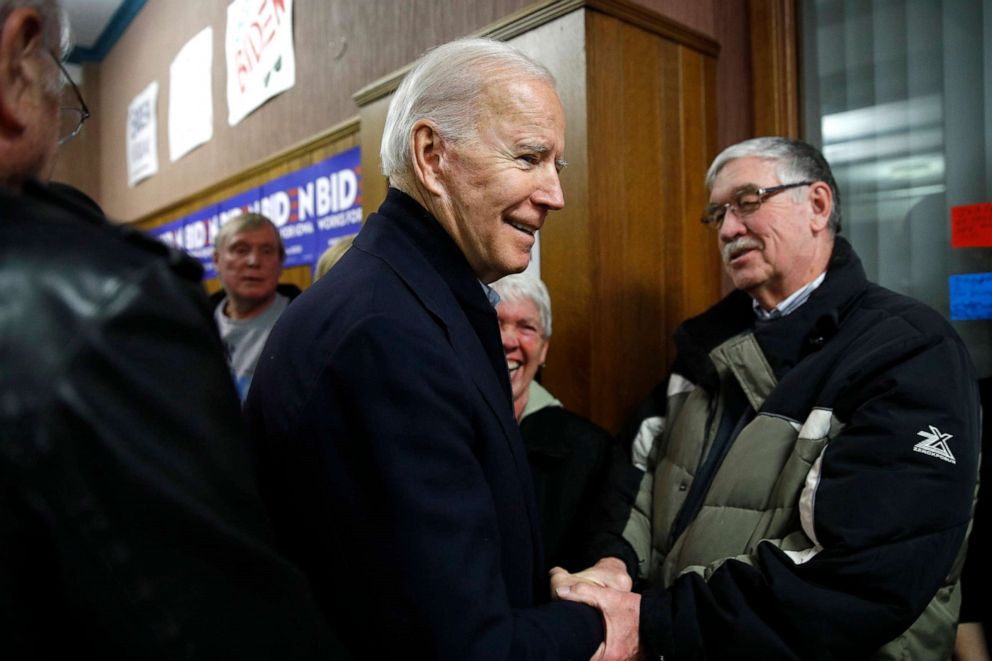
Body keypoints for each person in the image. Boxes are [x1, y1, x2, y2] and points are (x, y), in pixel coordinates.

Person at [245, 37, 608, 659]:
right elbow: (458, 646)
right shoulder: (386, 335)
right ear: (432, 155)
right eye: (529, 158)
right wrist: (599, 625)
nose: (555, 194)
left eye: (558, 166)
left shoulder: (408, 301)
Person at [0, 2, 343, 657]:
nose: (251, 264)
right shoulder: (104, 307)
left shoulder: (303, 326)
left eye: (265, 252)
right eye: (57, 82)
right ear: (18, 57)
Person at [554, 137, 981, 660]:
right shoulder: (702, 351)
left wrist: (658, 621)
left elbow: (866, 573)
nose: (729, 228)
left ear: (818, 205)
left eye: (749, 200)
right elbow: (632, 482)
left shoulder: (909, 349)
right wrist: (613, 565)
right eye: (718, 214)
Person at [492, 273, 615, 573]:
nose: (508, 340)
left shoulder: (589, 451)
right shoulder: (436, 428)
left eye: (526, 327)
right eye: (495, 322)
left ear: (544, 349)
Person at [211, 212, 294, 400]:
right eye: (241, 250)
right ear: (217, 260)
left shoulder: (305, 325)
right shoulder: (194, 324)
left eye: (266, 251)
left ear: (280, 262)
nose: (254, 261)